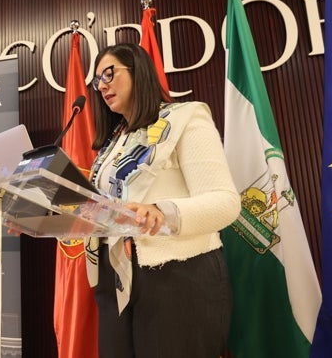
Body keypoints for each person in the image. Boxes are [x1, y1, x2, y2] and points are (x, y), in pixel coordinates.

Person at [84, 43, 240, 358]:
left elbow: (226, 203)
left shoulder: (186, 118)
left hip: (177, 279)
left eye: (109, 74)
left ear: (138, 70)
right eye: (97, 80)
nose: (102, 85)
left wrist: (161, 211)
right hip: (116, 281)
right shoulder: (116, 141)